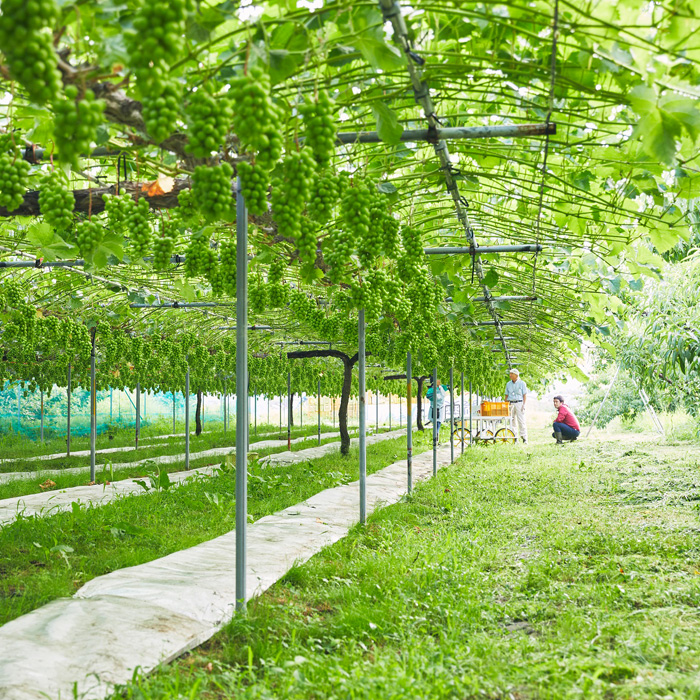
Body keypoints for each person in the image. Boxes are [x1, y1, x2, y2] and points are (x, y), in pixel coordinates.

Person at [504, 368, 528, 444]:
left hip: (519, 403)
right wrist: (506, 405)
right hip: (511, 403)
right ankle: (515, 438)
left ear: (516, 375)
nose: (510, 375)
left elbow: (524, 395)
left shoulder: (522, 383)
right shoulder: (508, 384)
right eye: (510, 374)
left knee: (521, 420)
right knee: (512, 420)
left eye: (512, 374)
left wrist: (524, 405)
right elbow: (506, 395)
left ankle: (524, 438)